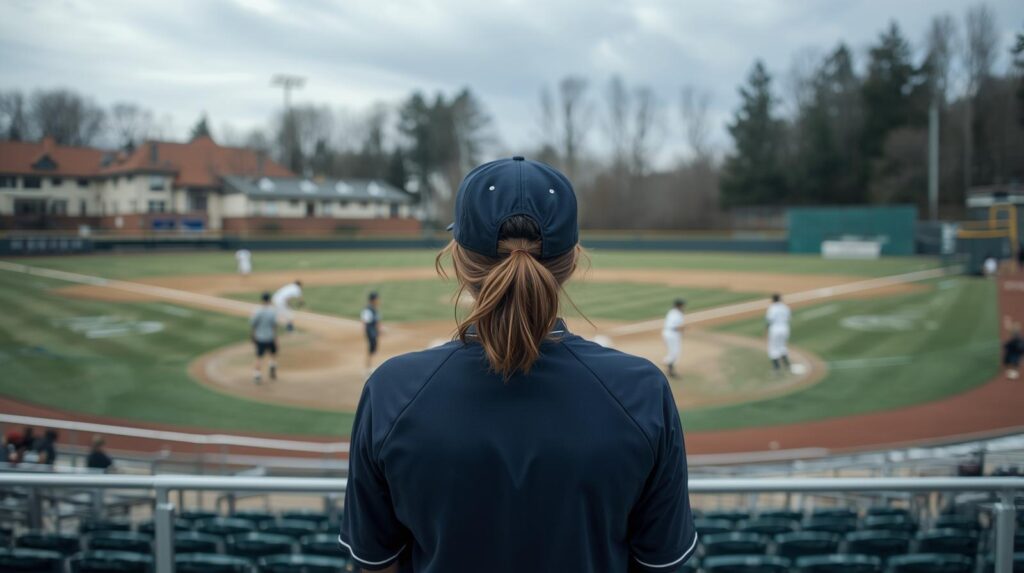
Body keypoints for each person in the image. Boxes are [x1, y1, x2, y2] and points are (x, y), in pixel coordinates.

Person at [340, 157, 697, 573]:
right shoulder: (643, 391)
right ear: (574, 260)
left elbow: (376, 561)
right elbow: (660, 562)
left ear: (457, 260)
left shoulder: (391, 391)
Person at [250, 292, 279, 384]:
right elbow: (274, 326)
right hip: (270, 337)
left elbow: (253, 324)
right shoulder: (272, 311)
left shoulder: (257, 311)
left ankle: (257, 375)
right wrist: (275, 338)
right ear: (269, 300)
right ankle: (272, 366)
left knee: (259, 357)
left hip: (260, 337)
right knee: (273, 354)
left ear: (262, 300)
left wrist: (253, 335)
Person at [766, 293, 792, 373]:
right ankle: (787, 365)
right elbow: (788, 318)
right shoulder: (785, 307)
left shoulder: (772, 308)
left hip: (775, 330)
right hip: (785, 329)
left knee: (773, 348)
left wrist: (766, 331)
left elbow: (769, 321)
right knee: (782, 346)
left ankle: (776, 368)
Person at [662, 298, 686, 378]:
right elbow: (673, 326)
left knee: (674, 352)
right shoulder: (676, 314)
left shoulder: (673, 312)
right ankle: (670, 370)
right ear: (679, 305)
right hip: (672, 335)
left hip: (671, 334)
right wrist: (682, 328)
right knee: (674, 352)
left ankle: (669, 366)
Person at [361, 291, 381, 371]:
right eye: (376, 299)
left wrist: (378, 330)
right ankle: (368, 367)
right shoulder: (368, 309)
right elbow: (366, 321)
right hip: (370, 331)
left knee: (373, 348)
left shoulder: (374, 308)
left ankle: (370, 366)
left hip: (373, 331)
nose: (378, 300)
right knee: (371, 348)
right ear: (373, 299)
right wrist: (369, 332)